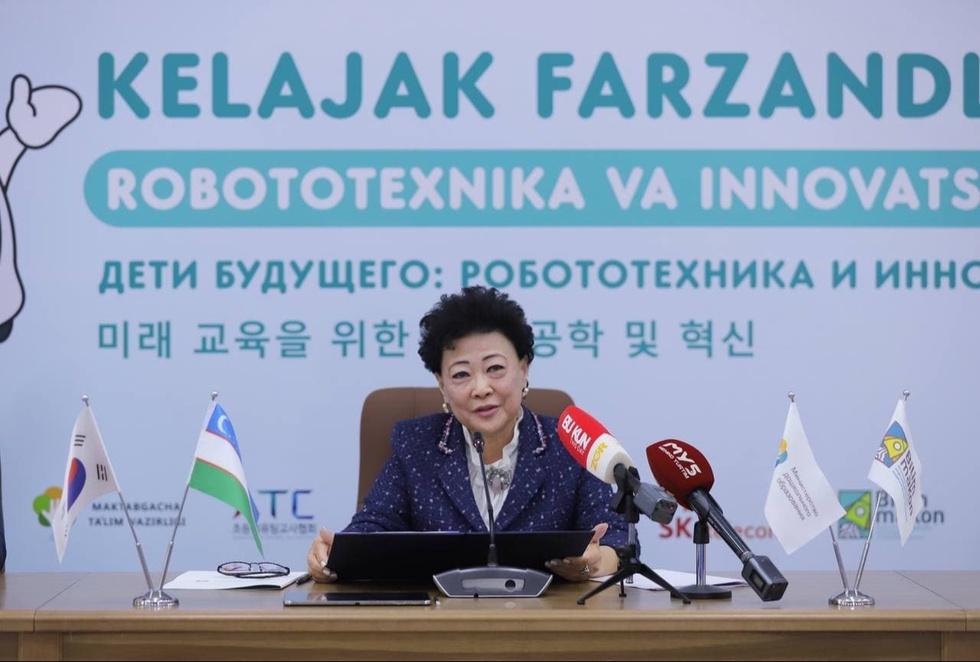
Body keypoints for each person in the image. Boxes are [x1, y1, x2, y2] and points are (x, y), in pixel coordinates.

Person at [307, 285, 628, 583]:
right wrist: (334, 555)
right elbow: (373, 526)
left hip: (548, 616)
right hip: (440, 617)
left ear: (524, 369)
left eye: (495, 369)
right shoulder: (416, 444)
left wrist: (594, 562)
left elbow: (615, 539)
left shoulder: (569, 444)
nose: (481, 388)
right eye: (461, 374)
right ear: (441, 384)